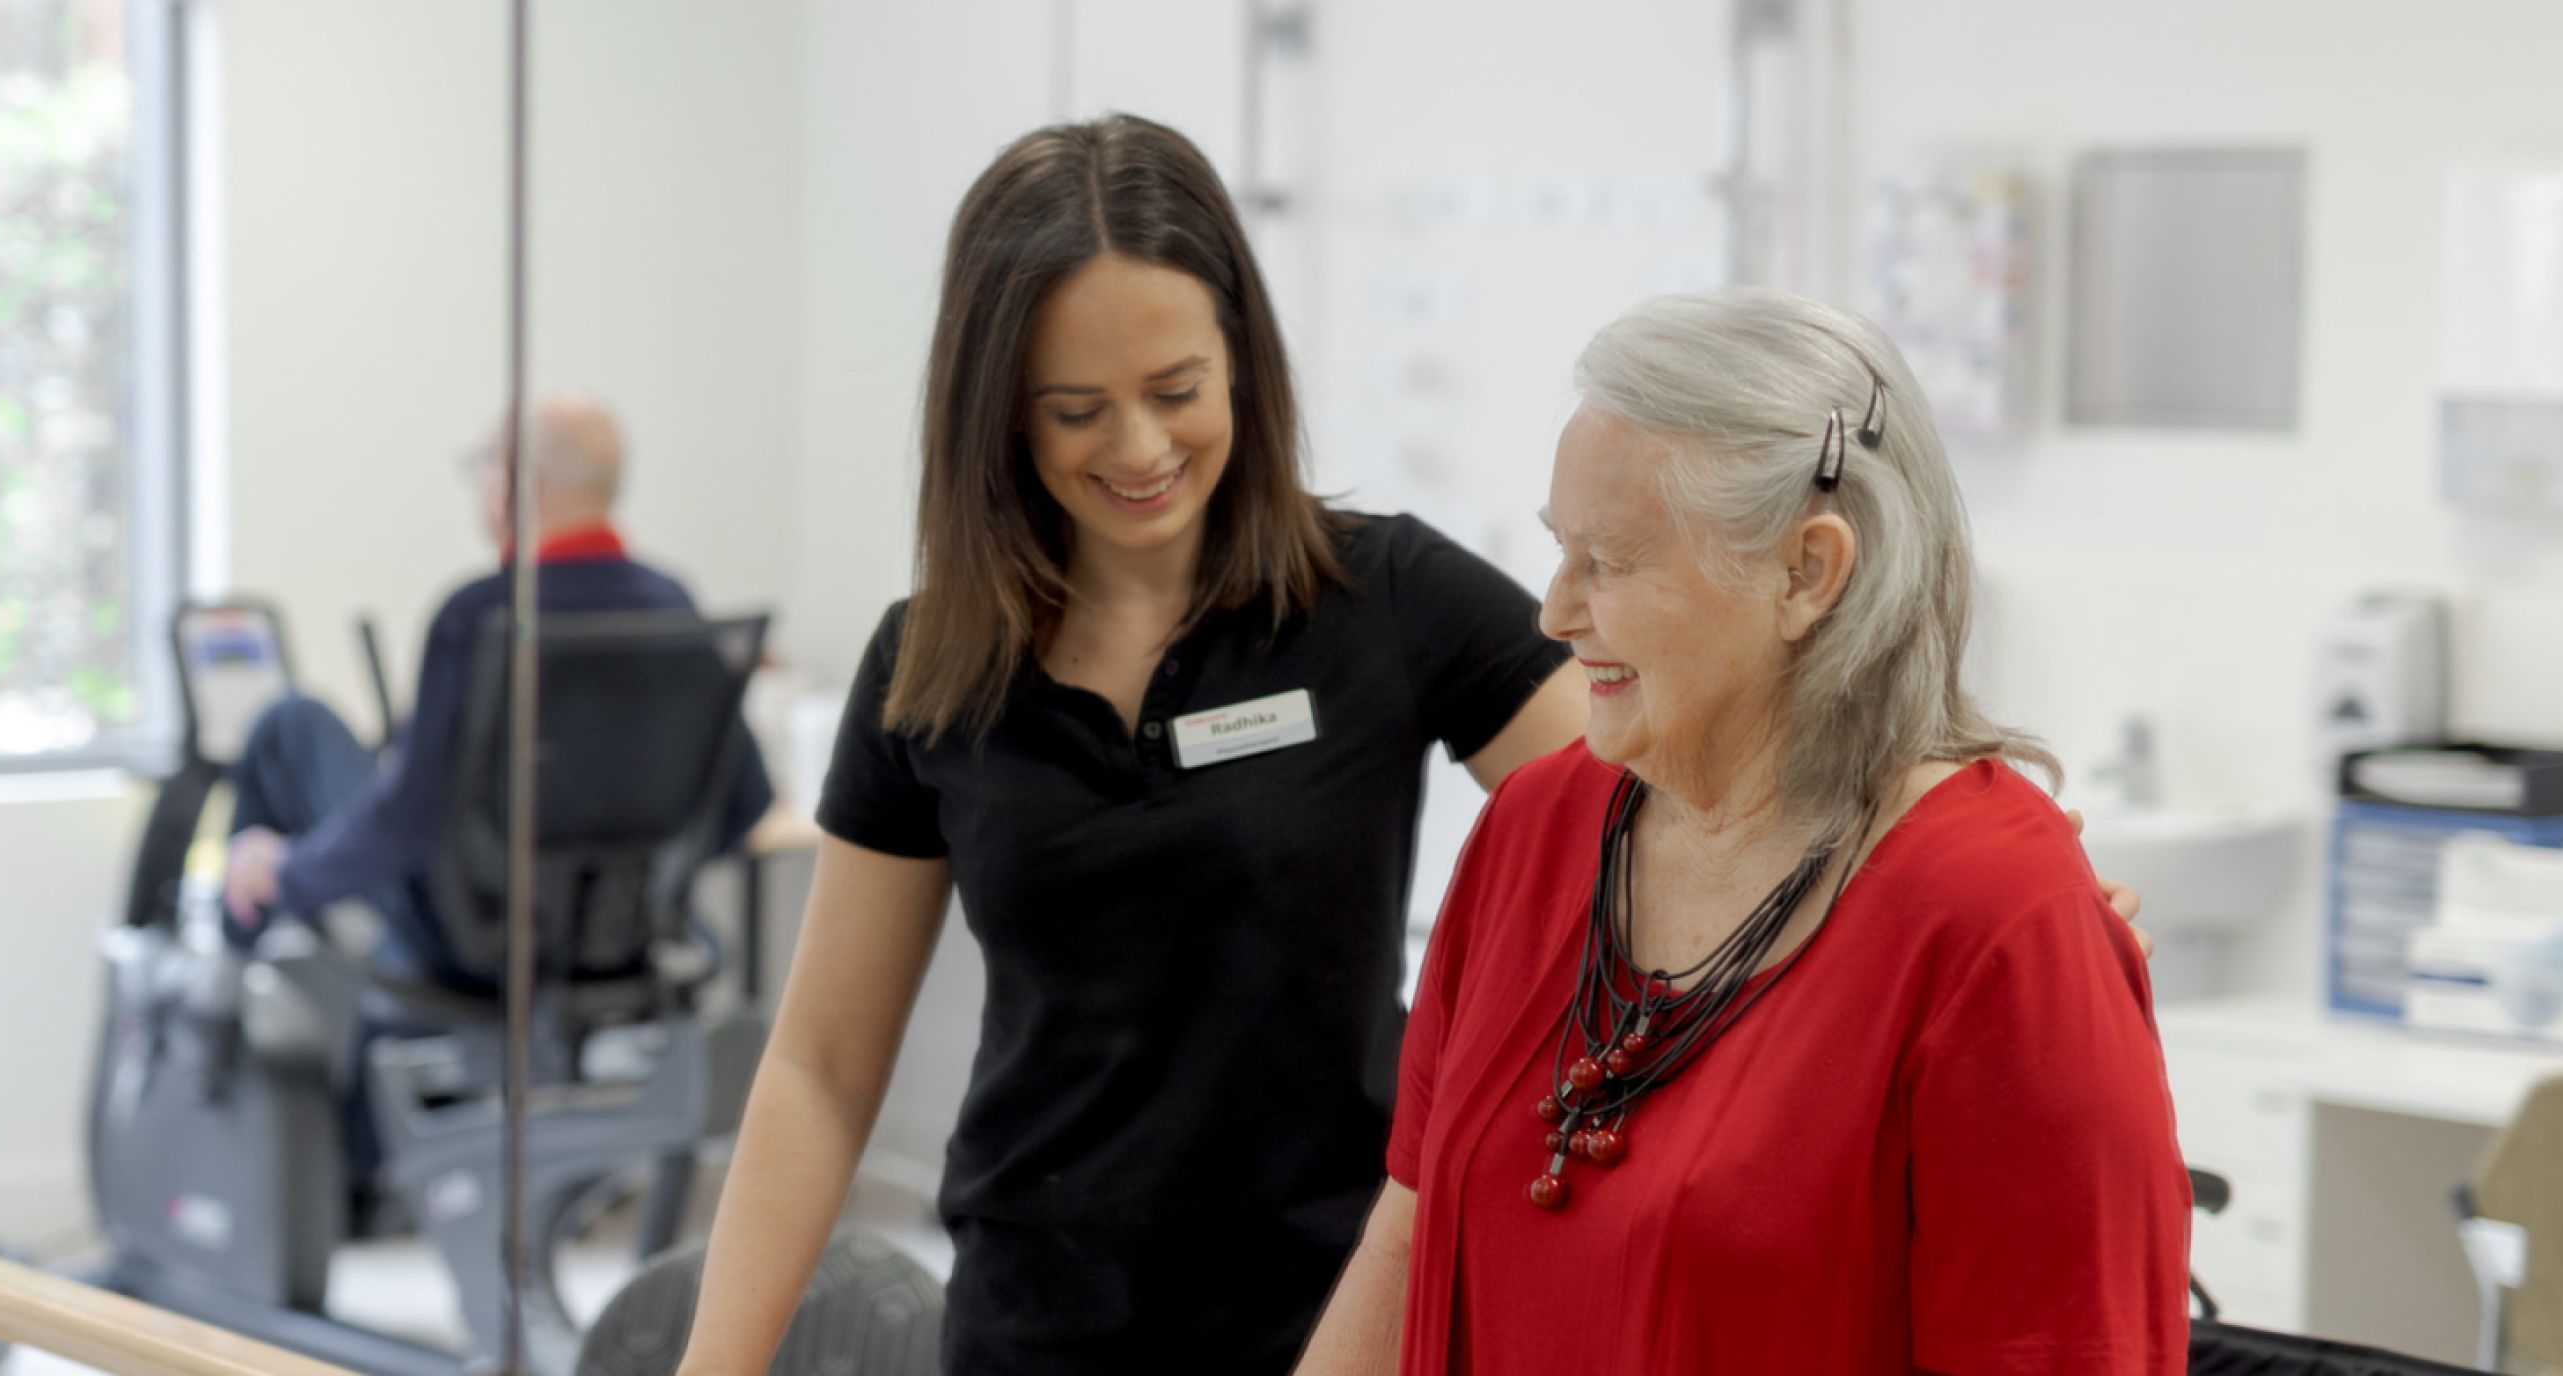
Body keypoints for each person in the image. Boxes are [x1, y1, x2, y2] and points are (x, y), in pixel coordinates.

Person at [674, 117, 2145, 1375]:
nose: (1137, 446)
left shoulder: (1386, 605)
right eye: (1076, 410)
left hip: (1322, 1287)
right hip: (1054, 1316)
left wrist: (2004, 909)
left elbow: (1715, 787)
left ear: (1241, 364)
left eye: (1177, 392)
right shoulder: (936, 666)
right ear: (995, 414)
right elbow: (817, 1064)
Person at [1294, 289, 2188, 1375]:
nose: (1554, 610)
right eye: (1558, 551)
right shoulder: (1537, 828)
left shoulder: (1998, 920)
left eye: (1608, 561)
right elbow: (1405, 1234)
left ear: (1806, 571)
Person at [217, 390, 775, 979]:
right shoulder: (673, 607)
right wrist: (637, 891)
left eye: (484, 466)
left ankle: (224, 970)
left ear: (513, 485)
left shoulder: (479, 614)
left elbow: (407, 821)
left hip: (470, 941)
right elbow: (746, 800)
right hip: (617, 940)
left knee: (290, 724)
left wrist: (288, 871)